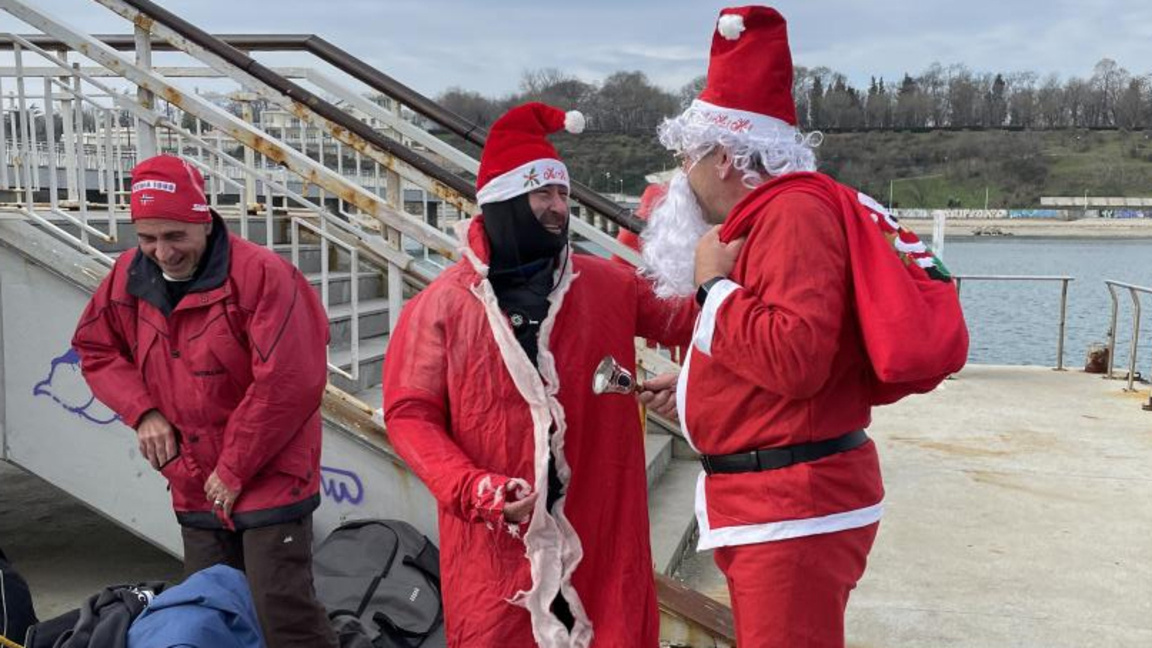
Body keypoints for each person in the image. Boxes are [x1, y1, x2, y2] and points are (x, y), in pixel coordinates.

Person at [639, 7, 953, 647]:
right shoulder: (777, 213)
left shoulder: (791, 215)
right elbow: (789, 347)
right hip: (778, 504)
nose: (681, 174)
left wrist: (713, 287)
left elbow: (797, 357)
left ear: (723, 157)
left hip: (793, 510)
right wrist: (703, 381)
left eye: (686, 157)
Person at [381, 102, 695, 648]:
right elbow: (410, 413)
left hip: (602, 538)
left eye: (562, 195)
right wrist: (470, 486)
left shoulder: (609, 287)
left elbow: (705, 320)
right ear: (502, 203)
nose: (557, 209)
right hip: (494, 553)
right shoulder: (441, 307)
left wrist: (694, 378)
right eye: (541, 194)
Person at [71, 154, 337, 648]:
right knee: (207, 614)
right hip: (191, 476)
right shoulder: (128, 275)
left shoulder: (263, 274)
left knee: (283, 614)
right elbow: (95, 347)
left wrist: (233, 469)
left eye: (176, 236)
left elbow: (290, 381)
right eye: (147, 237)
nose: (162, 252)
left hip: (270, 474)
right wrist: (143, 411)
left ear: (204, 220)